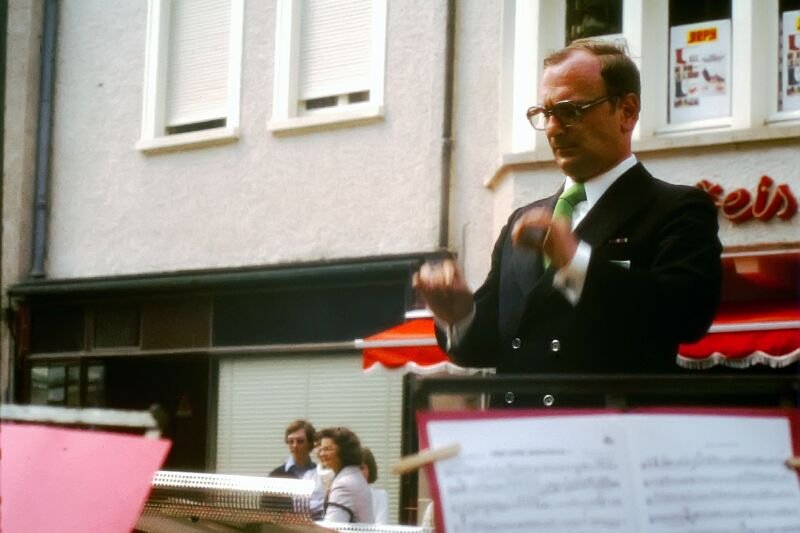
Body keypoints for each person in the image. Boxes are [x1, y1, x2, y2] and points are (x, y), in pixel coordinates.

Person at [413, 39, 722, 407]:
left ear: (626, 111)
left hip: (606, 435)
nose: (553, 128)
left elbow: (685, 315)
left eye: (570, 110)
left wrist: (575, 264)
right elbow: (490, 347)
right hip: (516, 437)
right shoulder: (522, 220)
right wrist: (459, 315)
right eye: (545, 113)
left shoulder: (676, 208)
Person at [317, 427, 374, 523]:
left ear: (344, 452)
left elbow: (332, 527)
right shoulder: (354, 475)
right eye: (321, 449)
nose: (322, 454)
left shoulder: (344, 485)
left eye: (327, 449)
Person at [268, 419, 324, 518]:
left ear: (310, 444)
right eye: (291, 441)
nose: (295, 445)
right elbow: (268, 510)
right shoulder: (275, 475)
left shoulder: (320, 474)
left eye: (300, 441)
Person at [360, 447, 389, 524]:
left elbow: (381, 526)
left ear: (370, 470)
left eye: (361, 468)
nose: (357, 472)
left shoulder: (380, 496)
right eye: (353, 469)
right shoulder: (341, 494)